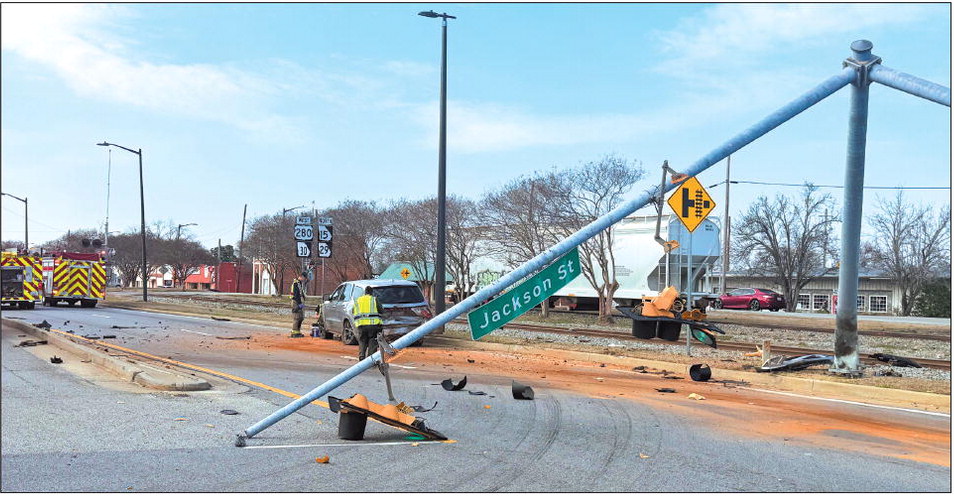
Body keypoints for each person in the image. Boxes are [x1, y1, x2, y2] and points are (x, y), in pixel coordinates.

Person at [352, 287, 383, 360]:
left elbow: (353, 311)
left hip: (361, 324)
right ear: (371, 292)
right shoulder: (374, 299)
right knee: (372, 341)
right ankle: (370, 359)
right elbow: (381, 310)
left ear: (365, 292)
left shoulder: (358, 300)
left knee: (362, 340)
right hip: (373, 325)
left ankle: (361, 356)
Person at [289, 272, 308, 338]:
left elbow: (300, 294)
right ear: (302, 276)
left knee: (300, 317)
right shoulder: (296, 284)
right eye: (305, 278)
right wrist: (299, 304)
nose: (305, 280)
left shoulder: (299, 283)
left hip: (299, 302)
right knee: (296, 317)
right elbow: (296, 294)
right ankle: (294, 332)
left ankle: (298, 331)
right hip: (296, 302)